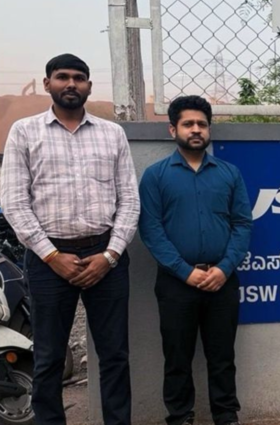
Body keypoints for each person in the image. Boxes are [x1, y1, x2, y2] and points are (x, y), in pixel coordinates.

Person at [0, 53, 139, 425]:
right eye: (62, 77)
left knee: (114, 355)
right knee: (48, 356)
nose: (71, 84)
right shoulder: (25, 131)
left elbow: (129, 201)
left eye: (79, 78)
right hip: (48, 260)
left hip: (105, 255)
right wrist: (51, 255)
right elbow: (14, 202)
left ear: (89, 86)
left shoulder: (112, 133)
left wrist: (109, 256)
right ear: (47, 84)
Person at [139, 95, 252, 425]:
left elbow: (242, 224)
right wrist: (184, 272)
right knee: (177, 357)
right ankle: (179, 417)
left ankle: (227, 416)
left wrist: (224, 268)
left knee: (222, 357)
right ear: (172, 129)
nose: (196, 130)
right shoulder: (156, 176)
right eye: (188, 124)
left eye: (202, 124)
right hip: (177, 284)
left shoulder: (229, 174)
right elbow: (151, 229)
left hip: (222, 281)